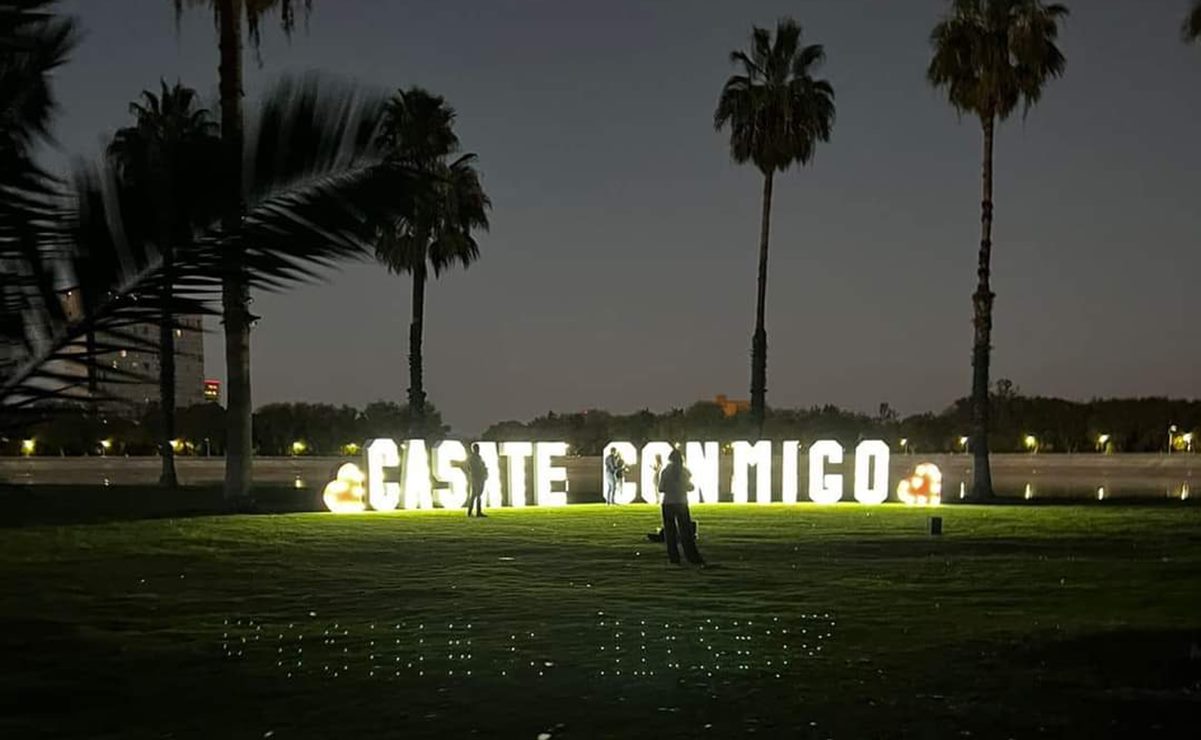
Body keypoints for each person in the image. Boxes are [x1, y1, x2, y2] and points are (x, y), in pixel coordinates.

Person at [656, 448, 705, 566]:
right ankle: (692, 556)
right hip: (682, 503)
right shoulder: (685, 471)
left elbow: (661, 488)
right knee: (686, 532)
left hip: (668, 503)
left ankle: (674, 558)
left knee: (670, 533)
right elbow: (690, 487)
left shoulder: (665, 471)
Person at [466, 443, 488, 518]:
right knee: (477, 495)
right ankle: (478, 512)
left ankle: (470, 511)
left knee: (474, 495)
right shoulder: (474, 458)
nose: (478, 450)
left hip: (477, 477)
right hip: (476, 478)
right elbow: (473, 468)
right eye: (477, 448)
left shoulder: (476, 457)